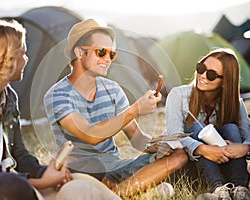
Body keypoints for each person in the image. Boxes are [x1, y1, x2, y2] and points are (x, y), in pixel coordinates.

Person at [0, 19, 120, 200]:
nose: (26, 59)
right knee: (15, 184)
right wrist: (43, 182)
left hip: (9, 183)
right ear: (6, 58)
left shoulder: (9, 98)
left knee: (88, 166)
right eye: (22, 53)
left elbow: (20, 156)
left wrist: (49, 172)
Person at [43, 18, 188, 199]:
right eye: (102, 52)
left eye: (112, 54)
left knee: (179, 157)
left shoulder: (112, 90)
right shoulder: (58, 95)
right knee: (85, 176)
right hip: (79, 171)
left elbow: (138, 140)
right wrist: (134, 110)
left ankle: (114, 193)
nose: (107, 59)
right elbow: (90, 134)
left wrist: (164, 144)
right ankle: (128, 189)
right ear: (79, 52)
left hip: (115, 167)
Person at [163, 48, 250, 200]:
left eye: (211, 74)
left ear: (225, 82)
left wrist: (244, 148)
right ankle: (217, 189)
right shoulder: (178, 95)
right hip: (193, 168)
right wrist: (202, 149)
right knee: (195, 127)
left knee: (231, 128)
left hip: (225, 165)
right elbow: (173, 136)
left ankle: (240, 189)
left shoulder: (236, 103)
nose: (202, 76)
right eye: (201, 68)